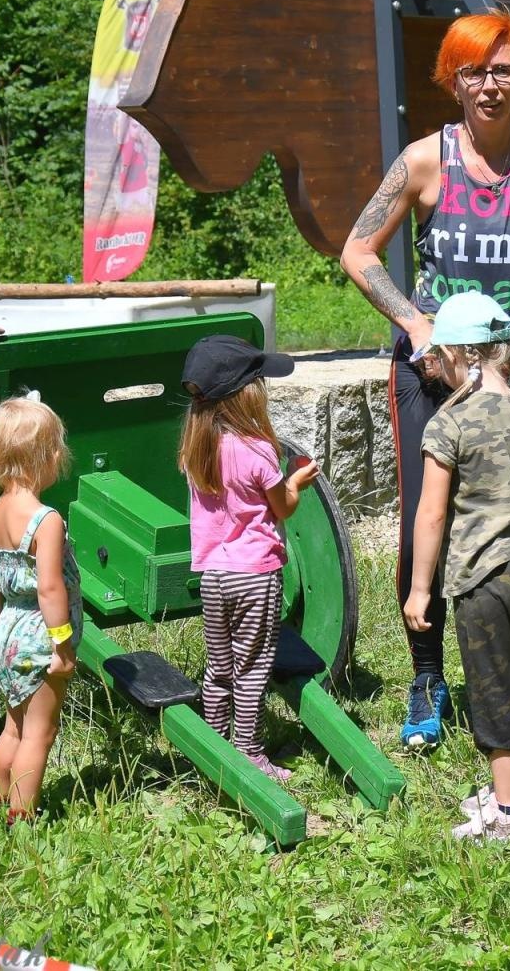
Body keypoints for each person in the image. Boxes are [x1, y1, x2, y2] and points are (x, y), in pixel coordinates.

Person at [339, 9, 510, 750]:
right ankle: (428, 677)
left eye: (504, 70)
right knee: (421, 528)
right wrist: (417, 324)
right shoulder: (425, 162)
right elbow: (358, 252)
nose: (490, 85)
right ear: (453, 79)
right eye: (475, 71)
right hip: (429, 384)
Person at [402, 292, 510, 841]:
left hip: (482, 578)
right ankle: (501, 790)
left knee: (488, 693)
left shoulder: (449, 424)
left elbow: (432, 512)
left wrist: (421, 590)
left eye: (437, 357)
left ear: (461, 356)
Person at [178, 334, 319, 782]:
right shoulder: (259, 450)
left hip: (213, 576)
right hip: (255, 575)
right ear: (247, 396)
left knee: (218, 667)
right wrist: (297, 483)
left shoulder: (195, 449)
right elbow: (282, 508)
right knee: (253, 668)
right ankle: (248, 752)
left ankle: (214, 742)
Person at [0, 398, 81, 824]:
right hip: (41, 636)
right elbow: (50, 587)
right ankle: (22, 817)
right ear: (50, 457)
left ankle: (0, 801)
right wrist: (62, 644)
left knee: (14, 726)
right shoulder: (46, 520)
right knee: (41, 731)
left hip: (7, 633)